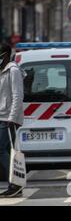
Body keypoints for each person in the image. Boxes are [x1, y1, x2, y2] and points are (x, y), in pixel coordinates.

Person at [0, 44, 26, 198]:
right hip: (1, 116)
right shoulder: (1, 71)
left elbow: (17, 96)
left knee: (1, 150)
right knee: (8, 151)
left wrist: (12, 117)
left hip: (8, 118)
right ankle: (15, 183)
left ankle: (15, 183)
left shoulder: (13, 70)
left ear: (5, 55)